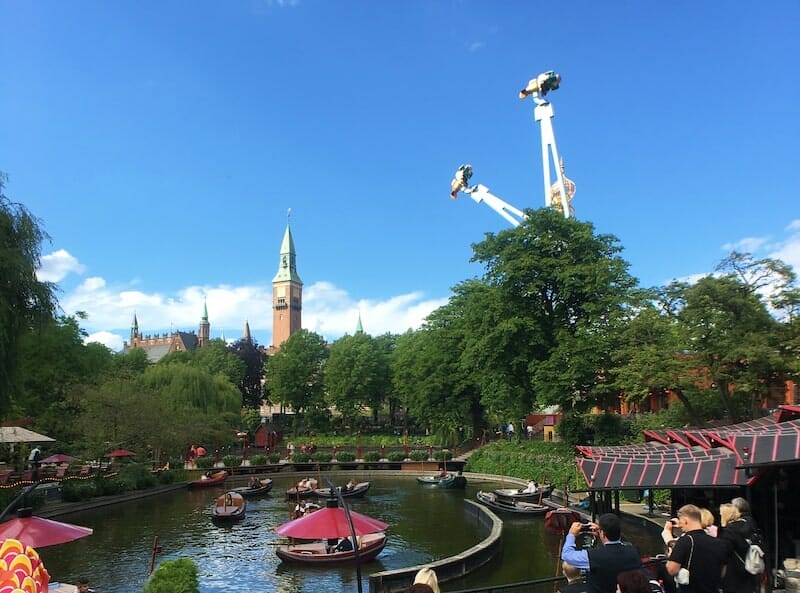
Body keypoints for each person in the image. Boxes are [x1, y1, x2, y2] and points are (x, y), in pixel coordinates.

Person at [561, 513, 642, 593]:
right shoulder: (633, 552)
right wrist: (601, 534)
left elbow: (566, 555)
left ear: (602, 533)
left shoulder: (593, 557)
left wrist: (571, 535)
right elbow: (617, 547)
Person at [664, 504, 727, 593]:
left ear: (685, 521)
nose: (680, 525)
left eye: (681, 522)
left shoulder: (685, 541)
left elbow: (671, 570)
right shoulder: (719, 543)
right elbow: (723, 572)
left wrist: (671, 556)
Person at [719, 503, 758, 593]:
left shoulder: (727, 532)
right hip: (749, 566)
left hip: (732, 572)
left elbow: (723, 552)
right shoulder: (748, 525)